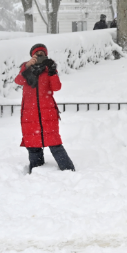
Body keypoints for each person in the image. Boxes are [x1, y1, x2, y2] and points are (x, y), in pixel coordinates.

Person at [14, 44, 76, 174]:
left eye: (42, 53)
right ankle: (36, 171)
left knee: (54, 142)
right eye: (37, 54)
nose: (40, 56)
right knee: (32, 144)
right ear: (32, 56)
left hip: (48, 112)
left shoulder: (49, 68)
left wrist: (53, 71)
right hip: (29, 113)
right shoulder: (26, 67)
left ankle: (68, 170)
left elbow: (56, 87)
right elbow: (18, 81)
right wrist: (27, 67)